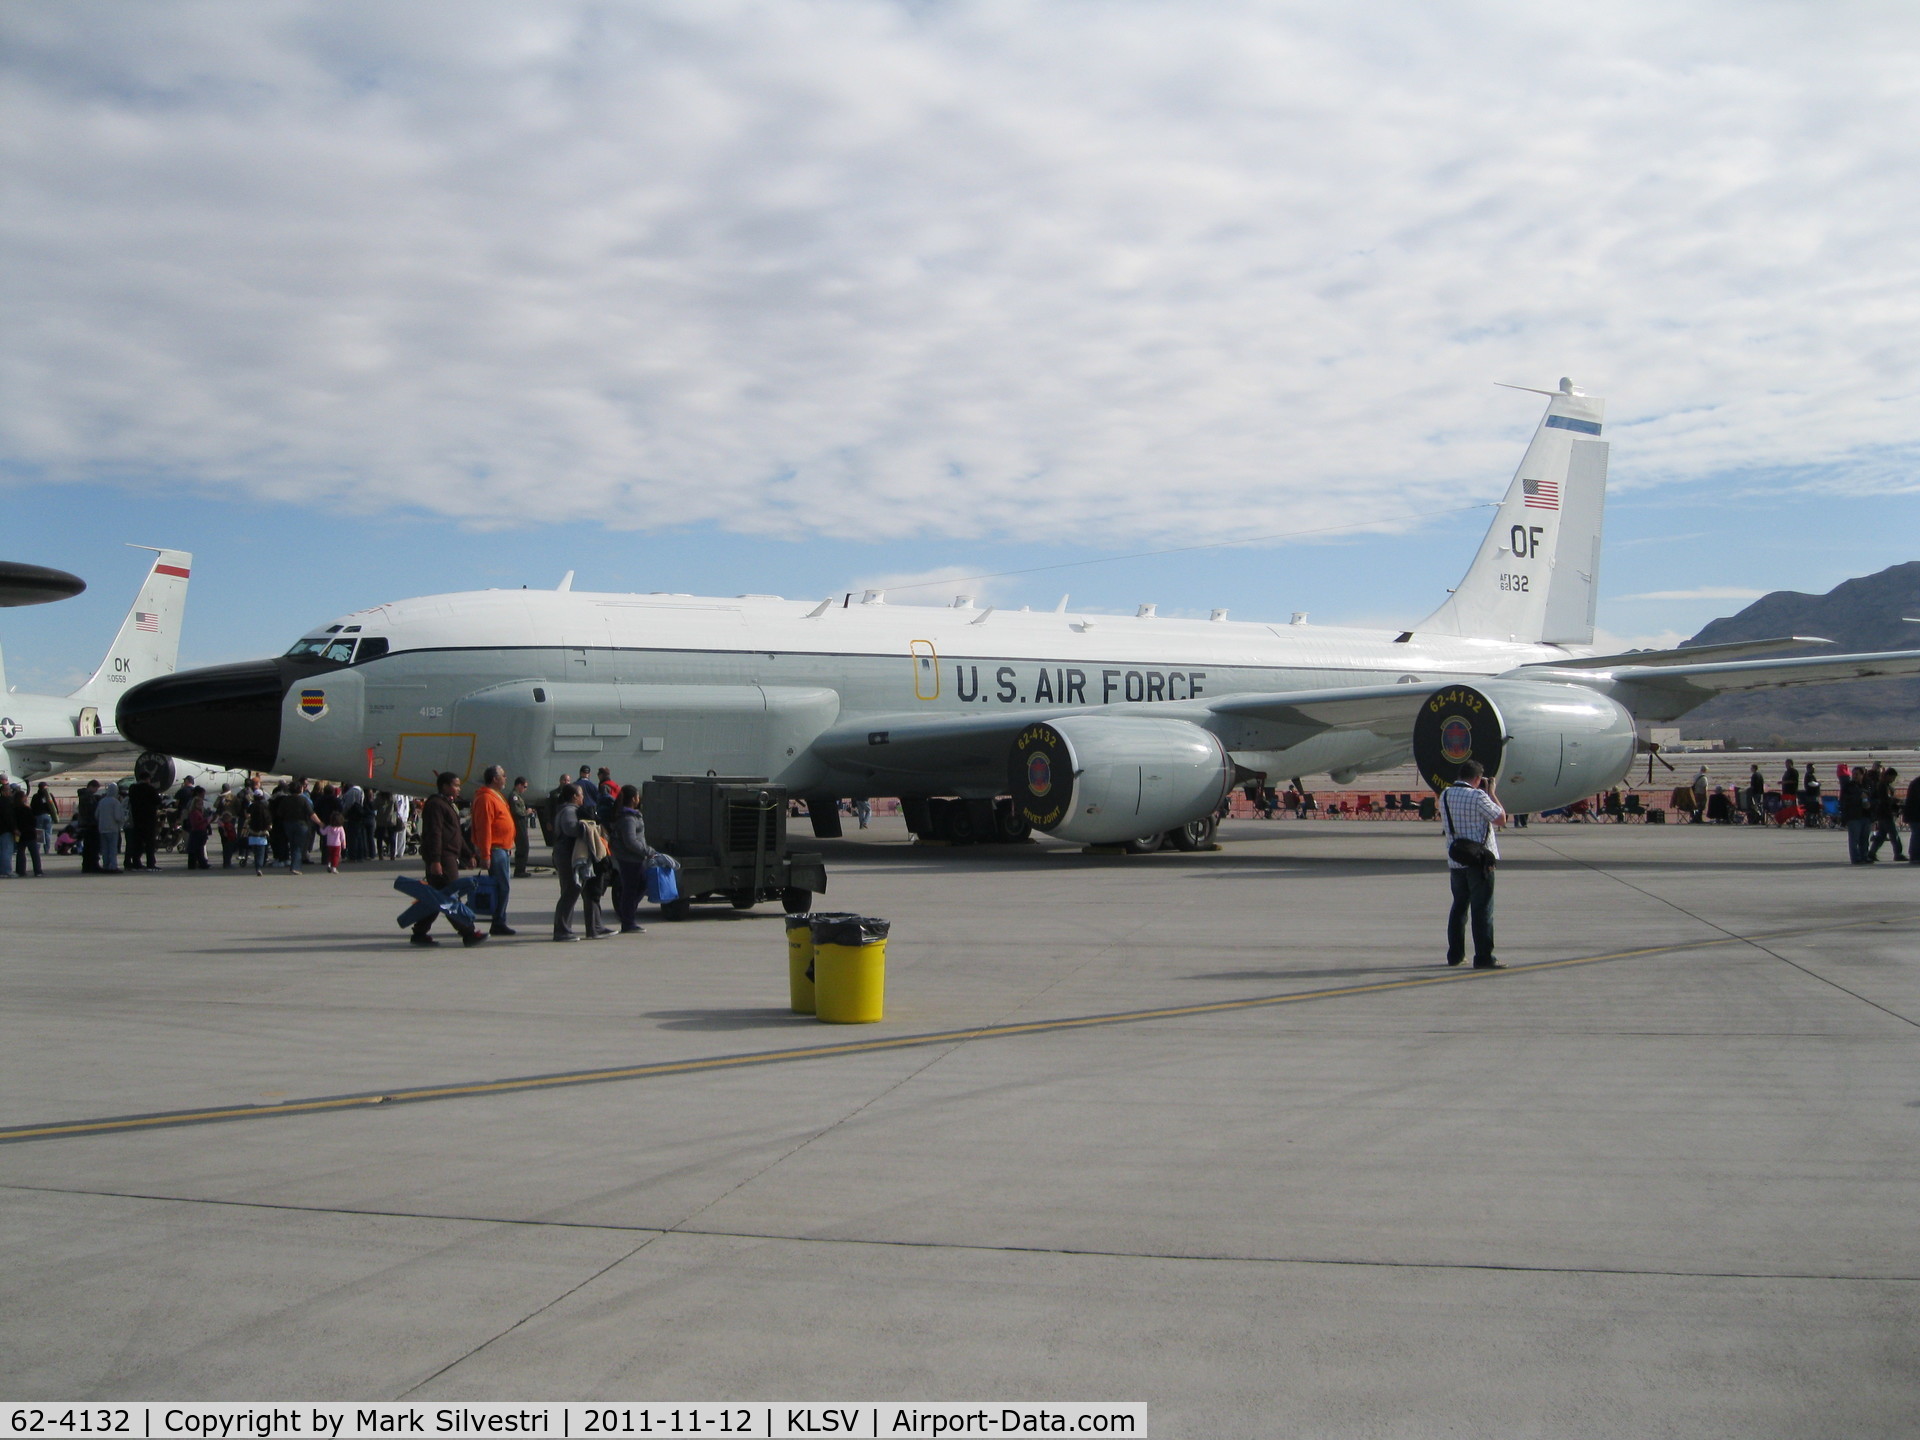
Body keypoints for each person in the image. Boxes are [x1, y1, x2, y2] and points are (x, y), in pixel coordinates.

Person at [393, 771, 486, 947]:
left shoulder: (447, 804)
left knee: (436, 898)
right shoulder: (436, 805)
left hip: (448, 855)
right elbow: (434, 834)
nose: (459, 788)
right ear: (445, 786)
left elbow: (455, 834)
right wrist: (435, 861)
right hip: (443, 858)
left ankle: (420, 932)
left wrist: (468, 854)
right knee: (449, 898)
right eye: (456, 785)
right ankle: (468, 932)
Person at [1439, 760, 1505, 969]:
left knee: (1459, 907)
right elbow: (1501, 818)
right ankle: (1484, 956)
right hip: (1478, 861)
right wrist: (1492, 793)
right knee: (1482, 909)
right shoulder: (1478, 796)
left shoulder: (1445, 795)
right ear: (1477, 779)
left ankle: (1455, 954)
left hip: (1457, 859)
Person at [550, 783, 609, 941]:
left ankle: (565, 929)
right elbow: (571, 829)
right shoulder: (570, 811)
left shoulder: (566, 810)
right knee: (570, 892)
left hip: (567, 856)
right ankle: (562, 930)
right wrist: (587, 826)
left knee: (571, 892)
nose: (583, 797)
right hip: (568, 857)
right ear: (574, 796)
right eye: (581, 794)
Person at [607, 784, 663, 934]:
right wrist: (647, 851)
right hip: (630, 859)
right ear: (633, 799)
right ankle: (628, 920)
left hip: (635, 859)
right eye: (638, 796)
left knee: (639, 886)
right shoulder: (628, 818)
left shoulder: (632, 815)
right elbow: (630, 841)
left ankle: (628, 915)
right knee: (632, 889)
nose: (639, 799)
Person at [470, 765, 518, 936]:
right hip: (495, 849)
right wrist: (485, 854)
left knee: (502, 887)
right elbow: (484, 828)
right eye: (503, 775)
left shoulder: (495, 796)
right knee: (501, 887)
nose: (506, 778)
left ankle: (499, 920)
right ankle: (498, 921)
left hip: (502, 848)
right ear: (495, 778)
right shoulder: (486, 798)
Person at [1868, 768, 1906, 863]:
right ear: (1888, 776)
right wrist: (1896, 802)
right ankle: (1898, 854)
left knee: (1881, 835)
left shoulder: (1883, 785)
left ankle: (1872, 853)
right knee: (1894, 835)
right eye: (1893, 777)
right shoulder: (1882, 786)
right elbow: (1885, 799)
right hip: (1885, 814)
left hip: (1882, 814)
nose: (1893, 780)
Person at [1839, 764, 1872, 864]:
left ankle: (1864, 856)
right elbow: (1844, 800)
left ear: (1862, 775)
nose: (1855, 776)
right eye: (1853, 774)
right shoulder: (1848, 786)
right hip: (1853, 816)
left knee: (1865, 839)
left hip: (1866, 815)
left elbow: (1874, 797)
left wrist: (1869, 803)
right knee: (1854, 839)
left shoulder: (1868, 785)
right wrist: (1859, 797)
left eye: (1857, 774)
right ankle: (1856, 858)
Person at [127, 775, 162, 869]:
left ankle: (136, 861)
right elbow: (158, 801)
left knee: (138, 842)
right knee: (150, 842)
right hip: (149, 818)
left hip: (137, 818)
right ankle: (150, 863)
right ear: (147, 779)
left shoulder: (133, 789)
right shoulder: (150, 789)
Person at [94, 780, 126, 873]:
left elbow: (96, 815)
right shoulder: (115, 802)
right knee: (112, 849)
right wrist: (121, 821)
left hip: (102, 828)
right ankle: (113, 866)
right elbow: (117, 816)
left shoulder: (102, 801)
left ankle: (106, 865)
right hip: (112, 829)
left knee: (105, 849)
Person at [507, 776, 533, 878]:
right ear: (519, 785)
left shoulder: (518, 796)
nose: (525, 789)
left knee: (524, 846)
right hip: (518, 822)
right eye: (524, 787)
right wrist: (527, 812)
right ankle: (519, 870)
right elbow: (516, 811)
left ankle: (521, 869)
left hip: (521, 822)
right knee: (523, 846)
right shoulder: (514, 796)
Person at [182, 790, 212, 869]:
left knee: (197, 849)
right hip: (197, 831)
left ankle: (196, 864)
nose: (200, 805)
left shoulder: (198, 812)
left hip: (200, 831)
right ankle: (201, 864)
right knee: (198, 849)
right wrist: (205, 820)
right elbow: (195, 823)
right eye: (199, 804)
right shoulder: (194, 812)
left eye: (201, 804)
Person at [245, 793, 272, 874]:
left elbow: (247, 816)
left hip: (252, 832)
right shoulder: (265, 806)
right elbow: (268, 819)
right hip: (262, 832)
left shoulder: (251, 806)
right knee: (261, 851)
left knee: (255, 851)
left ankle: (257, 865)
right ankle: (259, 867)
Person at [31, 781, 57, 855]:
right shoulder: (49, 796)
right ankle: (46, 850)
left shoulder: (35, 796)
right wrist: (56, 815)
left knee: (39, 833)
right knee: (48, 833)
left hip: (38, 816)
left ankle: (37, 849)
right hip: (48, 816)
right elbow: (54, 806)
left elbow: (32, 807)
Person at [1904, 772, 1920, 864]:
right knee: (1917, 835)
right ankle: (1915, 855)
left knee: (1916, 835)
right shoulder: (1917, 783)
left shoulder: (1915, 782)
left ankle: (1915, 855)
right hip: (1915, 815)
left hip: (1914, 814)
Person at [1801, 764, 1823, 829]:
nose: (1814, 769)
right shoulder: (1809, 775)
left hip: (1813, 795)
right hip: (1811, 795)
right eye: (1813, 768)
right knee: (1811, 810)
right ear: (1809, 768)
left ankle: (1811, 822)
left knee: (1811, 810)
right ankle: (1809, 823)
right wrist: (1818, 784)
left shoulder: (1810, 775)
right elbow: (1811, 783)